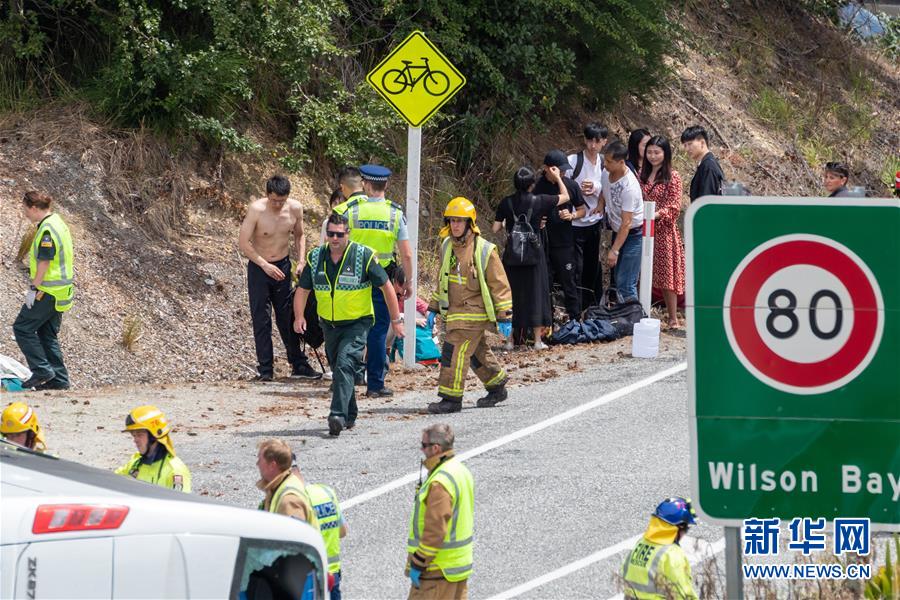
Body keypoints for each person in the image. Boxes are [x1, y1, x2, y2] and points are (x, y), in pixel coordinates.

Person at [293, 213, 404, 436]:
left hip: (357, 323)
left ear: (347, 234)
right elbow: (303, 290)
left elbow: (387, 288)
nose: (334, 239)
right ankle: (350, 413)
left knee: (344, 364)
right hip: (329, 325)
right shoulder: (316, 257)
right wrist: (299, 317)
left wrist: (396, 320)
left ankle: (337, 415)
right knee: (339, 368)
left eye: (339, 234)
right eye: (330, 234)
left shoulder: (362, 256)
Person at [333, 165, 413, 398]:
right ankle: (375, 384)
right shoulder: (395, 213)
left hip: (351, 276)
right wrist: (408, 281)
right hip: (382, 277)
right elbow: (406, 254)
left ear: (365, 185)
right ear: (385, 185)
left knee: (349, 326)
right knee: (378, 329)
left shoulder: (348, 209)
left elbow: (333, 243)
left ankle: (344, 377)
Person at [428, 198, 512, 413]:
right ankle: (497, 385)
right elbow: (442, 279)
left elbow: (499, 284)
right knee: (475, 352)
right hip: (455, 313)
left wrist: (505, 315)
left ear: (470, 223)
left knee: (453, 350)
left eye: (460, 221)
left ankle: (451, 398)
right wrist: (433, 306)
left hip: (473, 313)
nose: (455, 225)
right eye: (452, 220)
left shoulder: (484, 250)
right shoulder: (447, 245)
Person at [239, 175, 320, 382]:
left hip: (283, 266)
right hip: (260, 267)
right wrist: (264, 265)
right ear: (267, 195)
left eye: (281, 201)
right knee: (261, 318)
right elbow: (244, 242)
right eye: (274, 200)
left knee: (287, 316)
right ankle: (265, 368)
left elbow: (300, 235)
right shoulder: (257, 209)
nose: (277, 204)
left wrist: (301, 261)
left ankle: (298, 362)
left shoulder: (294, 208)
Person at [493, 166, 569, 350]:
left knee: (512, 296)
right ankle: (536, 341)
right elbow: (566, 196)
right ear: (531, 185)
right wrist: (558, 178)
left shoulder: (506, 202)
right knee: (536, 294)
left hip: (512, 257)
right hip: (534, 256)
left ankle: (510, 341)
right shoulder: (539, 200)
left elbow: (495, 228)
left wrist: (506, 223)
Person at [14, 191, 74, 391]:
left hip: (48, 290)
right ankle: (59, 379)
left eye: (25, 209)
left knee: (22, 328)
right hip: (61, 291)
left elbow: (45, 261)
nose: (25, 214)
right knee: (47, 334)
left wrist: (33, 288)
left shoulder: (47, 229)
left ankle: (41, 370)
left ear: (33, 208)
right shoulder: (58, 222)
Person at [406, 424, 474, 600]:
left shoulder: (440, 482)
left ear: (435, 448)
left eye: (424, 444)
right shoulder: (460, 471)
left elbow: (436, 529)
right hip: (457, 568)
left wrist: (419, 561)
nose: (421, 449)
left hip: (436, 571)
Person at [534, 150, 586, 321]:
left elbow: (582, 210)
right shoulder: (537, 186)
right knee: (545, 282)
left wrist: (572, 216)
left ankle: (576, 318)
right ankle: (546, 321)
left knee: (569, 281)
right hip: (543, 241)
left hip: (564, 242)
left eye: (564, 170)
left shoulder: (570, 185)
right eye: (558, 170)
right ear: (547, 169)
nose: (562, 173)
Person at [639, 136, 685, 328]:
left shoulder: (673, 177)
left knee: (667, 276)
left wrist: (656, 214)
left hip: (664, 232)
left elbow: (675, 206)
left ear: (665, 154)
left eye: (657, 152)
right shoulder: (641, 173)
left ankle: (672, 317)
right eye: (650, 152)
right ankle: (641, 312)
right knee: (641, 272)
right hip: (642, 229)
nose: (653, 156)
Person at [621, 497, 699, 599]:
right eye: (686, 529)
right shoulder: (672, 554)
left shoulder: (641, 543)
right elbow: (682, 592)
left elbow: (625, 573)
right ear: (679, 527)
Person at [597, 141, 645, 301]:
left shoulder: (629, 187)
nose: (605, 164)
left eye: (610, 161)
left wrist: (614, 251)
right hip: (618, 231)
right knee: (618, 278)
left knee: (626, 282)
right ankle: (620, 316)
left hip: (633, 234)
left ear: (621, 162)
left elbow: (627, 223)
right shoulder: (606, 173)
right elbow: (604, 189)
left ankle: (633, 320)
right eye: (605, 159)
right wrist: (600, 204)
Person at [569, 123, 608, 309]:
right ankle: (575, 305)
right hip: (575, 222)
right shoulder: (573, 161)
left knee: (592, 264)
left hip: (594, 220)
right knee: (576, 266)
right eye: (590, 140)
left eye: (597, 141)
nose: (593, 145)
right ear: (584, 140)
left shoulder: (605, 163)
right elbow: (563, 185)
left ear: (604, 142)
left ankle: (590, 304)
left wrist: (596, 188)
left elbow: (609, 188)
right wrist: (577, 191)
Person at [116, 405, 192, 492]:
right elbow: (111, 481)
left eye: (140, 434)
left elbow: (180, 504)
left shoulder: (176, 471)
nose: (135, 440)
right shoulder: (135, 462)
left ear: (154, 436)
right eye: (133, 435)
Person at [256, 438, 318, 526]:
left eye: (260, 460)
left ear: (272, 466)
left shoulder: (289, 501)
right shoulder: (279, 485)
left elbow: (296, 537)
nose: (257, 464)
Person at [306, 480, 348, 600]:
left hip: (309, 580)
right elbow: (343, 531)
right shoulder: (326, 492)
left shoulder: (293, 500)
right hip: (333, 574)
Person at [681, 126, 724, 202]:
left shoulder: (709, 166)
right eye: (685, 145)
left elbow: (706, 202)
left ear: (702, 143)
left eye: (690, 144)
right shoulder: (706, 164)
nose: (687, 149)